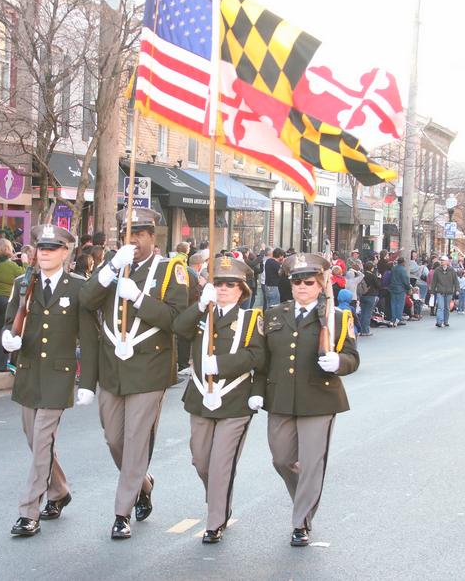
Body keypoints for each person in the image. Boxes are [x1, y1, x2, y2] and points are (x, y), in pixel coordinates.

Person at [79, 207, 189, 540]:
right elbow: (86, 300)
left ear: (152, 237)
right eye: (128, 234)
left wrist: (139, 297)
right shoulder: (112, 267)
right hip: (113, 368)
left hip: (149, 369)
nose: (134, 241)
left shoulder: (172, 270)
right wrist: (111, 267)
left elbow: (176, 320)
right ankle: (142, 483)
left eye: (140, 234)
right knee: (114, 438)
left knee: (136, 439)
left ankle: (121, 513)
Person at [259, 252, 360, 547]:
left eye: (308, 281)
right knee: (282, 459)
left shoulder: (336, 317)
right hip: (281, 398)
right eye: (296, 281)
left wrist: (338, 362)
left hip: (319, 397)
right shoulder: (275, 314)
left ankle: (301, 521)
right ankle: (305, 493)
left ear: (320, 284)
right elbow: (264, 359)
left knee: (312, 463)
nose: (302, 286)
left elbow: (353, 358)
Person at [4, 225, 98, 538]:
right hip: (29, 372)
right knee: (35, 441)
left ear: (66, 252)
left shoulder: (78, 287)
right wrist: (8, 338)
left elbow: (89, 335)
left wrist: (88, 380)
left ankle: (28, 511)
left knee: (42, 440)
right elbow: (10, 321)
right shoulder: (22, 283)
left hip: (59, 374)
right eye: (41, 247)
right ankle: (59, 490)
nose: (44, 252)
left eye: (52, 247)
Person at [172, 255, 265, 544]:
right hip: (201, 398)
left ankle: (215, 520)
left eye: (230, 284)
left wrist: (222, 365)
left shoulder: (251, 319)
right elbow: (179, 329)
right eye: (218, 283)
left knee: (222, 462)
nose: (223, 289)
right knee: (201, 460)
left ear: (241, 290)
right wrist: (200, 304)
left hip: (234, 401)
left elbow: (257, 357)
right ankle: (218, 499)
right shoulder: (203, 313)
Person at [0, 239, 24, 373]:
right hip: (5, 300)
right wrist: (24, 261)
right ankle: (0, 364)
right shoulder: (11, 266)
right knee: (3, 331)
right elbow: (24, 276)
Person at [430, 256, 458, 328]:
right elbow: (434, 282)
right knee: (440, 307)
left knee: (447, 308)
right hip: (440, 292)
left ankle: (446, 321)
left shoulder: (452, 270)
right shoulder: (437, 270)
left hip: (449, 292)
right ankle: (439, 322)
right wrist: (432, 292)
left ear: (447, 262)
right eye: (441, 260)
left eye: (443, 260)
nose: (441, 261)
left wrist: (457, 290)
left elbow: (456, 281)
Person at [357, 263, 381, 336]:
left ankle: (360, 329)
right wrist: (379, 278)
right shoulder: (372, 275)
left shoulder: (362, 275)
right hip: (371, 295)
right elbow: (378, 285)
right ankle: (366, 330)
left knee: (362, 313)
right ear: (371, 268)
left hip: (362, 295)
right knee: (367, 314)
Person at [389, 257, 410, 327]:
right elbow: (405, 280)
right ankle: (398, 319)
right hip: (400, 289)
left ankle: (393, 319)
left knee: (393, 304)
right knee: (400, 304)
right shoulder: (403, 270)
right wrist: (408, 287)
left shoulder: (393, 268)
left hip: (393, 288)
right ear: (403, 262)